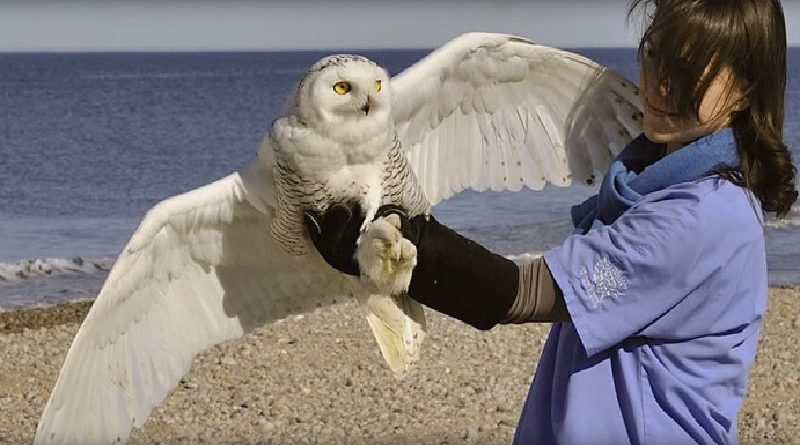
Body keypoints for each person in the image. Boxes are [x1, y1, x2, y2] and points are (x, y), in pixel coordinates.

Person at [304, 0, 797, 443]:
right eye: (656, 56)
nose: (661, 83)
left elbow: (528, 292)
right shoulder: (658, 191)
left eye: (691, 72)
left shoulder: (702, 217)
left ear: (745, 88)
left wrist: (397, 246)